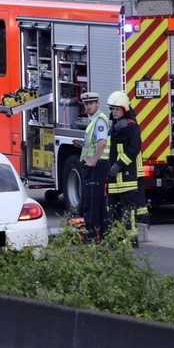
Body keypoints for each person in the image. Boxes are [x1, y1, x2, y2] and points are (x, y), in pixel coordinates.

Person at [105, 91, 148, 247]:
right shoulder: (115, 128)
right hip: (115, 178)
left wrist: (119, 165)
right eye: (112, 109)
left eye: (117, 109)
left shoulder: (131, 127)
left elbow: (133, 149)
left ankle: (131, 239)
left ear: (124, 109)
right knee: (114, 209)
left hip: (127, 176)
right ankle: (116, 238)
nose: (114, 112)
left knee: (128, 210)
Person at [74, 91, 111, 243]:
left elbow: (102, 143)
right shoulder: (94, 120)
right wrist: (81, 144)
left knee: (91, 204)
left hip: (97, 166)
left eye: (91, 103)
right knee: (97, 204)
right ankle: (100, 237)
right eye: (86, 104)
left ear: (98, 104)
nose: (88, 106)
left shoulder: (100, 121)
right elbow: (94, 142)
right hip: (96, 166)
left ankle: (89, 238)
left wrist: (93, 161)